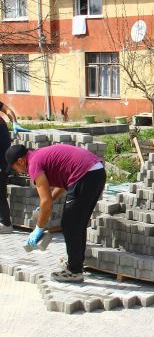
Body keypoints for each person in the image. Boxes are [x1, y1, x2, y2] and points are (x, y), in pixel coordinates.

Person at [5, 143, 106, 283]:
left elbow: (45, 202)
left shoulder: (33, 164)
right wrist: (49, 200)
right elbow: (62, 184)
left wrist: (38, 229)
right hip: (96, 171)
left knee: (70, 224)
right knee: (77, 223)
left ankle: (74, 271)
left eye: (14, 167)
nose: (16, 171)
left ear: (21, 161)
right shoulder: (38, 155)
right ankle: (75, 264)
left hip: (85, 174)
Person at [0, 101, 28, 233]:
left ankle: (6, 224)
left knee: (0, 192)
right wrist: (13, 122)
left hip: (2, 160)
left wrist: (14, 122)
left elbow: (7, 110)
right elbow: (8, 110)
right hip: (5, 159)